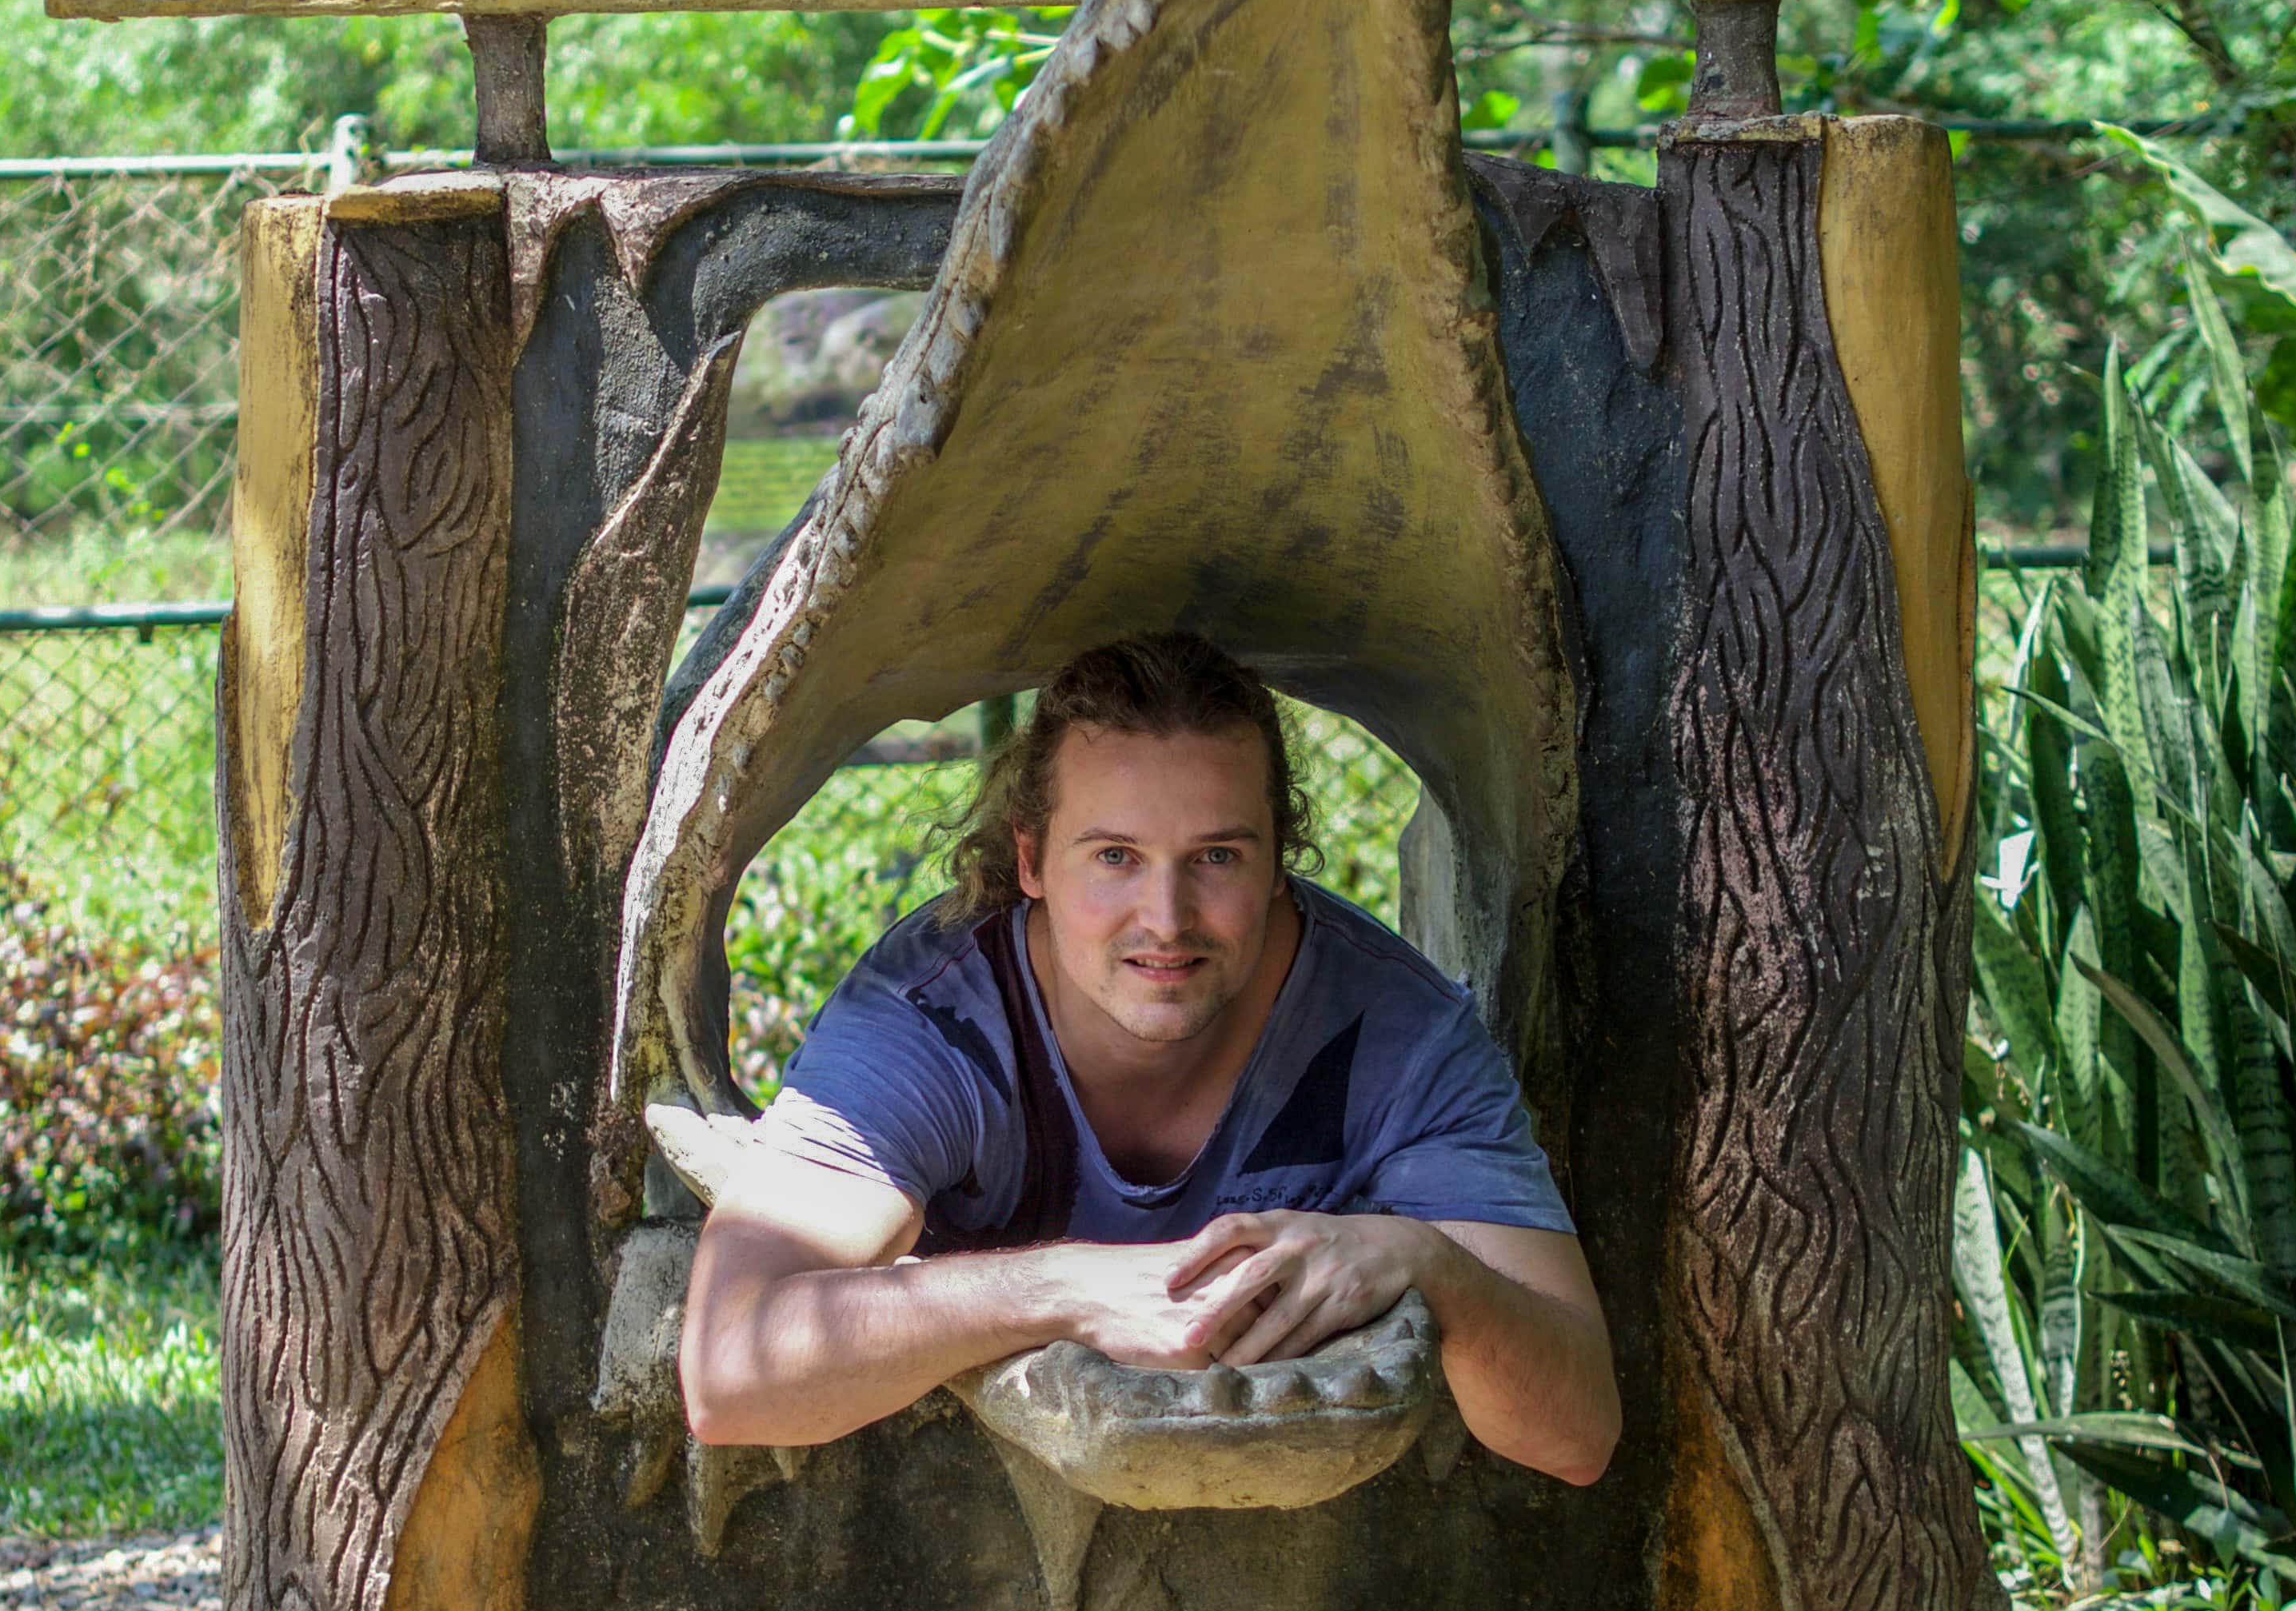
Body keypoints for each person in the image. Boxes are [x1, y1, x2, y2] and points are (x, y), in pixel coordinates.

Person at [680, 632, 1619, 1485]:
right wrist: (1067, 1289)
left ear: (1279, 861)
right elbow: (730, 1373)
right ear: (1032, 862)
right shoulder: (933, 1018)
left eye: (1216, 857)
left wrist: (1431, 1263)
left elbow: (1578, 1434)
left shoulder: (1397, 1029)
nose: (1166, 921)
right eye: (1116, 856)